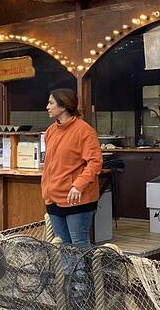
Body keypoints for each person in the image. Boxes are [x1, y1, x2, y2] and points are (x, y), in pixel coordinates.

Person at [41, 88, 103, 248]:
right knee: (62, 244)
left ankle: (83, 274)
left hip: (77, 198)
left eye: (51, 103)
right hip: (53, 196)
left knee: (79, 244)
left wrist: (78, 185)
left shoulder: (84, 131)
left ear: (63, 106)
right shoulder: (50, 131)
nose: (47, 107)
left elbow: (95, 162)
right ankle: (69, 274)